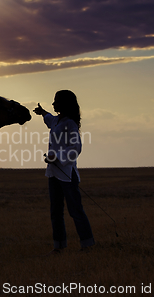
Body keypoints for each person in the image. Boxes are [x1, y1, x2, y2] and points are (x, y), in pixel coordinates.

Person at [33, 90, 95, 254]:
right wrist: (42, 112)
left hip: (67, 174)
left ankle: (87, 244)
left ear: (65, 104)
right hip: (53, 173)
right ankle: (59, 246)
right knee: (56, 211)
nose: (53, 104)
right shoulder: (56, 120)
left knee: (75, 210)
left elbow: (76, 148)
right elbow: (49, 120)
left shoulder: (70, 124)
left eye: (57, 101)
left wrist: (57, 157)